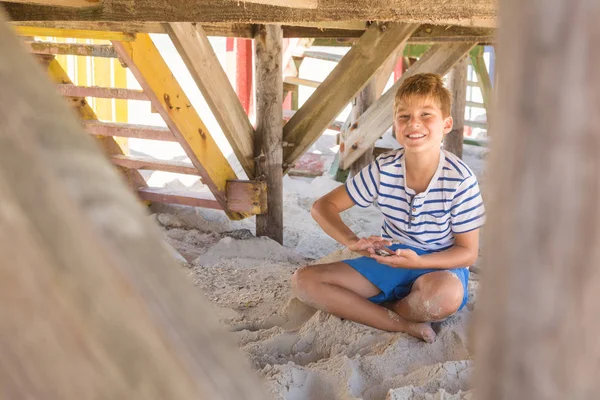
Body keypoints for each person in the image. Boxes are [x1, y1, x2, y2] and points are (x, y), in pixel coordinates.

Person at [291, 73, 485, 343]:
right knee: (304, 281)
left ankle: (380, 309)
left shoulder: (460, 179)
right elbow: (323, 207)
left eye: (426, 114)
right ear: (395, 124)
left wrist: (420, 262)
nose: (413, 123)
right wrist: (352, 241)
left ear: (447, 124)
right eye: (404, 116)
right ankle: (401, 324)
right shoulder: (384, 169)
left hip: (438, 267)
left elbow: (467, 253)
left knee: (443, 297)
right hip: (390, 259)